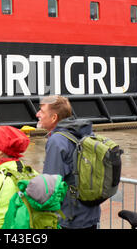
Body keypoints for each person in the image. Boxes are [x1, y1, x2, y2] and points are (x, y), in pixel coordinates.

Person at [36, 95, 101, 229]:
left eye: (42, 111)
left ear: (54, 117)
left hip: (69, 218)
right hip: (89, 214)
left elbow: (50, 185)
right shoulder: (85, 133)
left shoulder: (57, 141)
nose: (37, 114)